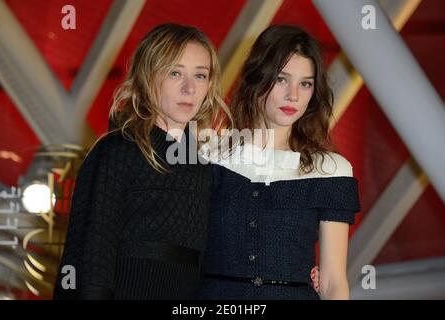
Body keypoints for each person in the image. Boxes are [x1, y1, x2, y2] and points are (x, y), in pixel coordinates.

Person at [53, 23, 229, 299]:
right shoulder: (117, 152)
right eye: (175, 73)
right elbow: (91, 255)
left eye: (200, 76)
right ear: (148, 77)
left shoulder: (206, 165)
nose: (189, 88)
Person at [198, 25, 360, 300]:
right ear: (257, 78)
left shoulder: (332, 171)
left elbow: (333, 281)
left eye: (305, 83)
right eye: (282, 79)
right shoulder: (208, 155)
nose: (293, 96)